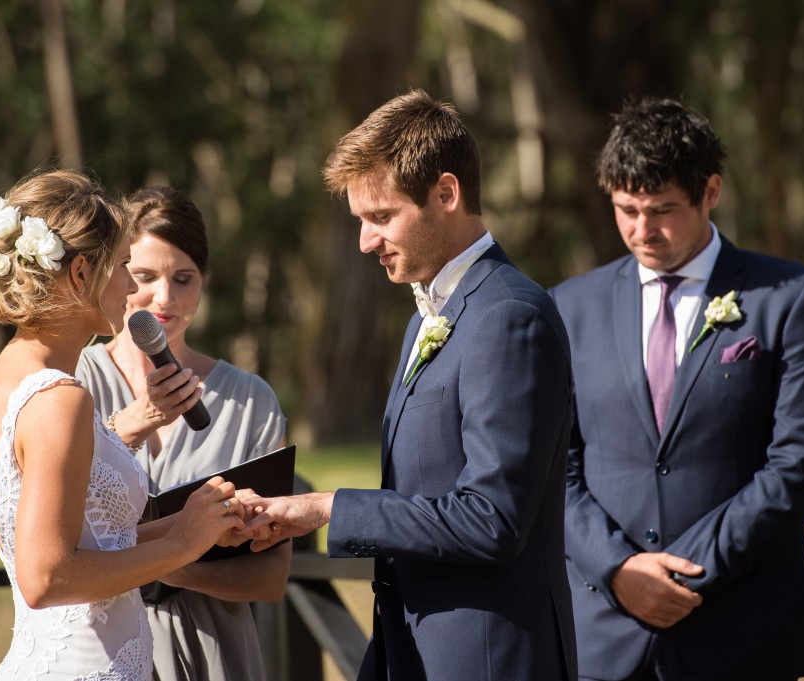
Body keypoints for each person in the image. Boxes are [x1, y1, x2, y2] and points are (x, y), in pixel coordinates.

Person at [240, 89, 578, 680]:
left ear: (446, 194)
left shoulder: (508, 316)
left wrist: (326, 509)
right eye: (360, 221)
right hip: (410, 648)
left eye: (381, 216)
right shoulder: (427, 315)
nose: (365, 241)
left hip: (486, 657)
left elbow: (492, 520)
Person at [549, 97, 804, 681]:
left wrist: (686, 572)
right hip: (603, 640)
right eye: (625, 209)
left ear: (711, 192)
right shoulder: (568, 306)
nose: (642, 230)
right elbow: (553, 467)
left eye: (662, 210)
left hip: (739, 635)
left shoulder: (793, 299)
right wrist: (619, 570)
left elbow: (803, 465)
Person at [0, 169, 256, 680]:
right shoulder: (58, 399)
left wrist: (195, 525)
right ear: (80, 274)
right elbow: (47, 577)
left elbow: (93, 541)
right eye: (123, 267)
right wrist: (181, 547)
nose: (131, 286)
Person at [75, 185, 291, 681]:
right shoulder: (75, 380)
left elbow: (272, 577)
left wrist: (172, 564)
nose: (164, 298)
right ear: (116, 273)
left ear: (203, 283)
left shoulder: (252, 401)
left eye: (184, 278)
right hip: (99, 647)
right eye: (144, 276)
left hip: (215, 651)